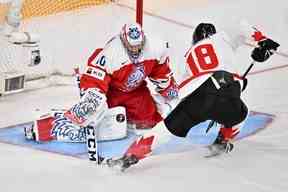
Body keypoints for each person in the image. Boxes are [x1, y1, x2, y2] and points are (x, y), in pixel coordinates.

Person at [114, 22, 280, 168]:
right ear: (213, 35)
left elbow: (182, 92)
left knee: (163, 132)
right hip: (226, 87)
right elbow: (242, 26)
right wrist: (262, 40)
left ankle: (126, 159)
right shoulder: (221, 38)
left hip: (196, 98)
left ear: (194, 40)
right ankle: (222, 143)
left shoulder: (188, 56)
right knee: (241, 114)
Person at [24, 22, 179, 142]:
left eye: (139, 45)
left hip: (136, 92)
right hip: (111, 91)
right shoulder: (111, 53)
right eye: (132, 47)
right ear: (124, 41)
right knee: (101, 118)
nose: (136, 49)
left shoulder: (156, 47)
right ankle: (54, 125)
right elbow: (94, 78)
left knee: (149, 122)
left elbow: (161, 72)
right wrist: (93, 97)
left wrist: (169, 90)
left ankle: (125, 119)